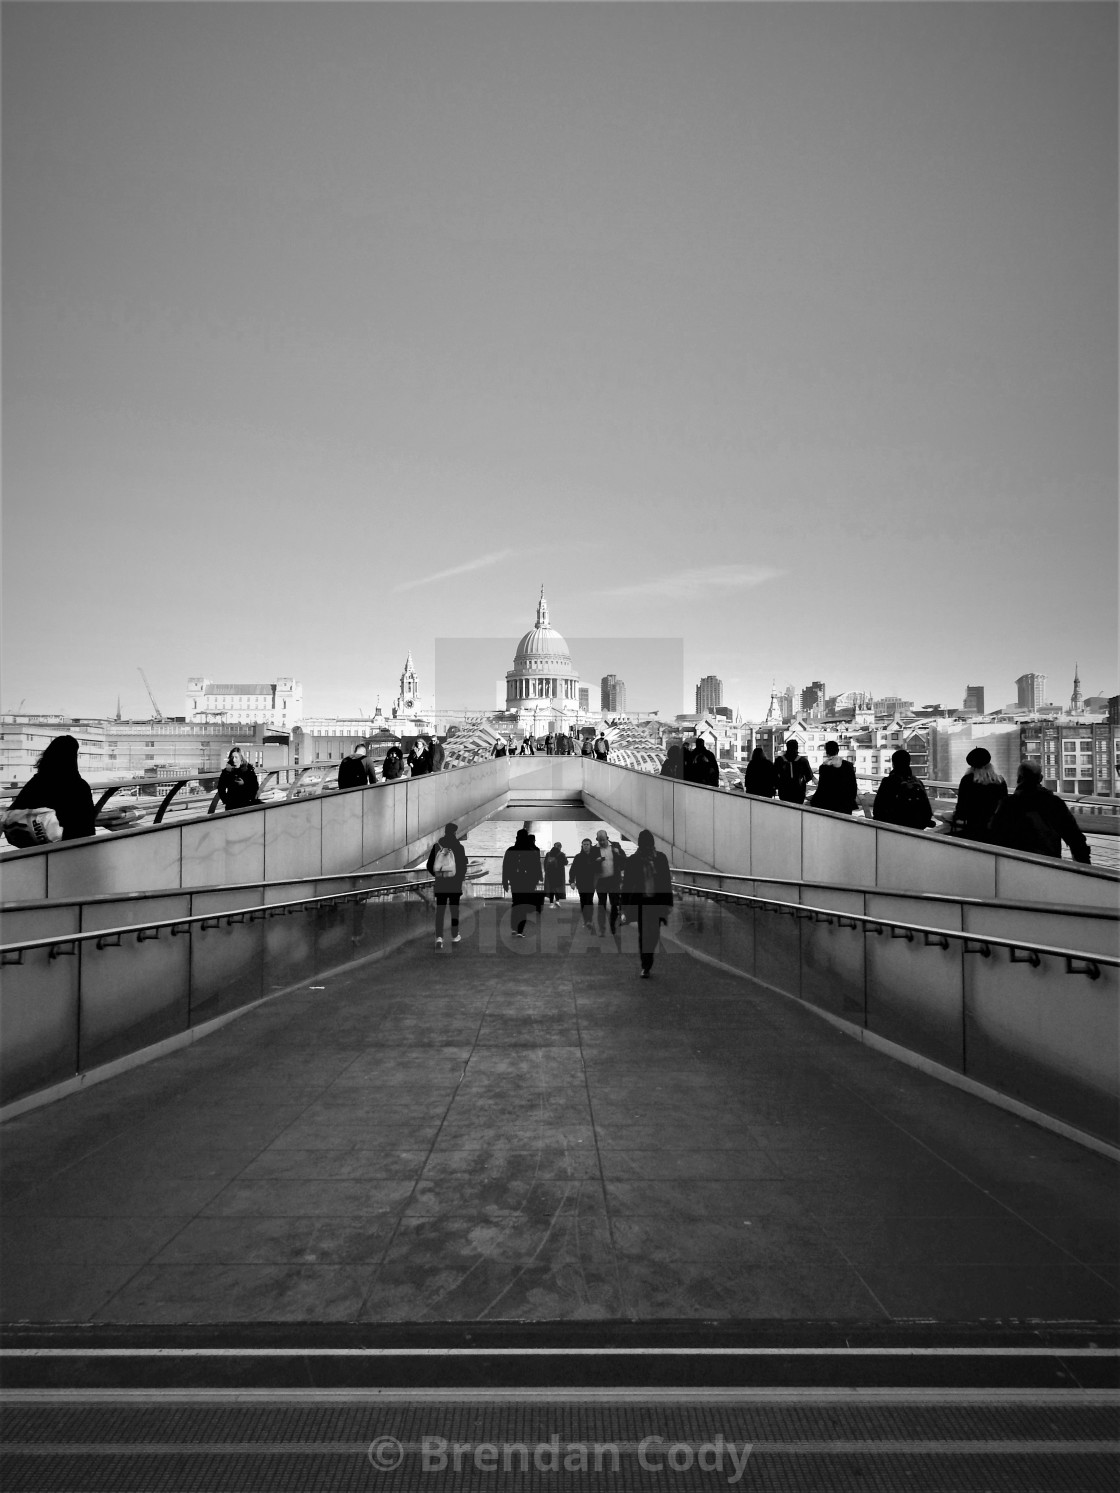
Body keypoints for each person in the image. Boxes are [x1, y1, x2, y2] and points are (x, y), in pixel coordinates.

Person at [988, 760, 1091, 864]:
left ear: (1019, 778)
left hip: (1015, 863)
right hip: (1049, 863)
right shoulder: (1054, 803)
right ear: (1040, 778)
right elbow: (1075, 837)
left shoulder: (1008, 804)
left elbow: (995, 835)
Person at [4, 734, 96, 844]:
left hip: (35, 847)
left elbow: (16, 809)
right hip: (70, 847)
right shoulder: (79, 786)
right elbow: (87, 827)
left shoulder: (37, 782)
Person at [621, 828, 674, 978]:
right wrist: (624, 907)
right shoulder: (633, 860)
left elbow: (666, 881)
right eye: (644, 845)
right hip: (641, 903)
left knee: (654, 934)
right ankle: (646, 965)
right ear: (640, 845)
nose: (647, 848)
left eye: (649, 845)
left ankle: (648, 956)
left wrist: (668, 903)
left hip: (657, 903)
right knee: (644, 934)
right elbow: (627, 884)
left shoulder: (660, 858)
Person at [949, 747, 1007, 842]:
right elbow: (1003, 804)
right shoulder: (1000, 781)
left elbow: (962, 808)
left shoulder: (967, 780)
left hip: (974, 828)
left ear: (972, 766)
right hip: (995, 827)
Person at [426, 821, 468, 948]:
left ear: (445, 832)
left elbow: (429, 866)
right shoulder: (459, 848)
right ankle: (455, 936)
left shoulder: (437, 847)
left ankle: (439, 937)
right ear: (455, 832)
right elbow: (462, 867)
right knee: (454, 910)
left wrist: (439, 875)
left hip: (441, 884)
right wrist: (458, 879)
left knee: (440, 911)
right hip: (454, 885)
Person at [872, 748, 935, 830]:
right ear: (909, 762)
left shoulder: (888, 782)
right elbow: (927, 811)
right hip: (917, 829)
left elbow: (878, 810)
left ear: (893, 764)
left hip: (894, 829)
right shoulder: (917, 782)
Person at [502, 826, 543, 937]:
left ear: (517, 838)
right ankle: (520, 930)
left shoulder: (510, 850)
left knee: (516, 903)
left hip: (515, 882)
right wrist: (536, 881)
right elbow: (536, 868)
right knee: (523, 905)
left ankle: (514, 928)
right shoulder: (531, 851)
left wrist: (505, 881)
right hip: (528, 883)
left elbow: (505, 867)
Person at [590, 828, 627, 937]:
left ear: (607, 838)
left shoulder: (616, 846)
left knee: (614, 904)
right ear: (597, 839)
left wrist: (618, 854)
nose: (601, 842)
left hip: (613, 881)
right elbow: (589, 865)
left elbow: (624, 860)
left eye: (603, 840)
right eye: (599, 840)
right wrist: (595, 862)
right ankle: (602, 929)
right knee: (601, 905)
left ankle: (612, 925)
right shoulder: (593, 850)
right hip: (601, 881)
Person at [810, 742, 858, 814]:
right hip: (845, 804)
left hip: (829, 804)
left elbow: (822, 788)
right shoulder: (848, 765)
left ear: (826, 752)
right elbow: (853, 786)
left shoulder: (824, 767)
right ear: (838, 750)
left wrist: (813, 800)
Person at [568, 837, 598, 929]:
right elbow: (572, 870)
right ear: (582, 846)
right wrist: (572, 881)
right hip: (581, 883)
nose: (585, 846)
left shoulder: (595, 856)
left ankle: (589, 920)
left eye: (587, 845)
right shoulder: (578, 857)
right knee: (583, 901)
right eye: (584, 845)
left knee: (589, 901)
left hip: (591, 883)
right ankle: (586, 920)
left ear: (590, 845)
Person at [776, 740, 814, 804]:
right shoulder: (803, 761)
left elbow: (774, 775)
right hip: (799, 791)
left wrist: (779, 784)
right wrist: (802, 782)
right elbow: (809, 776)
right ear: (797, 748)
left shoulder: (779, 760)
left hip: (784, 791)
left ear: (787, 747)